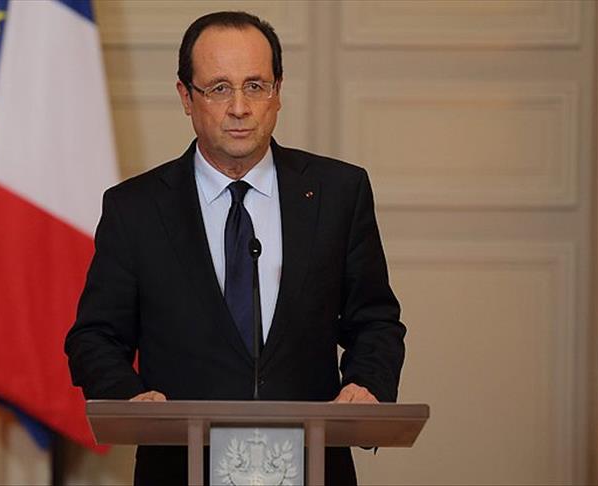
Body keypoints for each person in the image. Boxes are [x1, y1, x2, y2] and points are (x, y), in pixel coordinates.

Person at [65, 11, 405, 485]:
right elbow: (95, 336)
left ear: (278, 92)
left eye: (256, 86)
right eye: (219, 88)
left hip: (311, 466)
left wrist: (365, 385)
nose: (240, 107)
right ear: (186, 97)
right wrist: (131, 398)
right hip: (179, 467)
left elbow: (375, 321)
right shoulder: (136, 209)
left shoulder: (338, 193)